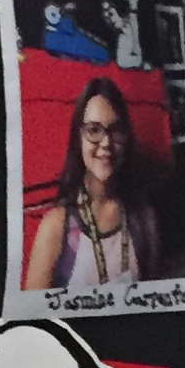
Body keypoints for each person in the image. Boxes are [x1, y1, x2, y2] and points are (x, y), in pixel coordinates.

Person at [24, 74, 163, 293]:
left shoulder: (144, 220)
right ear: (78, 138)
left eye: (116, 130)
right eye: (94, 130)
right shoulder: (56, 227)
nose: (106, 142)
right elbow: (31, 312)